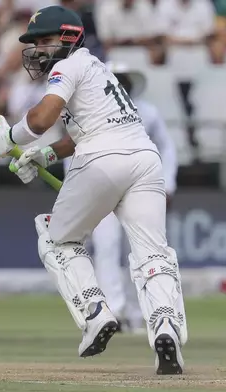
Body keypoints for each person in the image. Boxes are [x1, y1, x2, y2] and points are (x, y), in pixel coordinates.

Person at [0, 5, 187, 375]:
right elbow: (83, 130)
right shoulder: (99, 69)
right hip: (144, 160)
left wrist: (7, 137)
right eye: (35, 43)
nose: (38, 50)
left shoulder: (67, 67)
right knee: (153, 255)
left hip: (101, 161)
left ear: (70, 37)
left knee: (55, 239)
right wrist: (44, 155)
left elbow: (41, 118)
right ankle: (165, 326)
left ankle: (96, 312)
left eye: (45, 40)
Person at [62, 61, 178, 335]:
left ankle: (145, 314)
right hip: (100, 190)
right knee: (106, 246)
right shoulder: (88, 113)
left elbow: (167, 147)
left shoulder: (147, 112)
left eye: (122, 79)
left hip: (138, 189)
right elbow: (75, 152)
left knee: (143, 251)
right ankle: (114, 312)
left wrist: (168, 184)